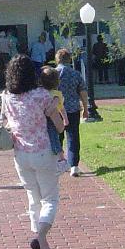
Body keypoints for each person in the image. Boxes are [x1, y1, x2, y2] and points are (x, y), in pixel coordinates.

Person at [0, 55, 66, 249]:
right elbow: (59, 126)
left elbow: (6, 122)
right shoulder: (42, 96)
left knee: (33, 197)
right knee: (50, 199)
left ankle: (43, 245)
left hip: (20, 153)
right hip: (43, 151)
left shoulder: (7, 96)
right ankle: (40, 237)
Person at [55, 48, 90, 177]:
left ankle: (58, 162)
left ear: (57, 59)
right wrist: (85, 108)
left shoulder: (53, 74)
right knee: (73, 137)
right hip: (73, 109)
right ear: (69, 59)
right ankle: (74, 165)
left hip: (56, 110)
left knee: (57, 137)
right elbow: (83, 92)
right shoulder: (76, 74)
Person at [40, 66, 68, 172]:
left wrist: (65, 119)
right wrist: (65, 119)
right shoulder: (45, 93)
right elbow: (62, 109)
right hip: (47, 118)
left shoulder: (55, 95)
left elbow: (59, 107)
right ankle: (59, 157)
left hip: (50, 119)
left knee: (53, 136)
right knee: (51, 137)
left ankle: (61, 158)